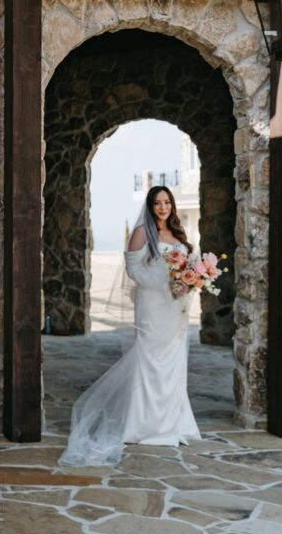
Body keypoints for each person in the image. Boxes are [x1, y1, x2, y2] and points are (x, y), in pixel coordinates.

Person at [59, 185, 200, 467]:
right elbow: (133, 271)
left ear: (172, 205)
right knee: (149, 361)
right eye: (158, 203)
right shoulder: (141, 233)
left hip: (176, 307)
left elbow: (189, 266)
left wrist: (192, 280)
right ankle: (144, 425)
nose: (163, 207)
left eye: (167, 202)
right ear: (150, 206)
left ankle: (174, 423)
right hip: (152, 305)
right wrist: (166, 283)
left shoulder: (179, 235)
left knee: (174, 362)